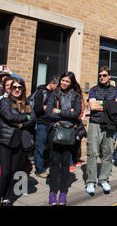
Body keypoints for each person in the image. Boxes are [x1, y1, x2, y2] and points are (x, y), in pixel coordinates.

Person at [0, 77, 36, 206]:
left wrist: (19, 123)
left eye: (19, 87)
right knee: (3, 173)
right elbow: (9, 116)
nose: (17, 90)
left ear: (23, 89)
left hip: (18, 142)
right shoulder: (5, 102)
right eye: (14, 87)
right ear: (10, 89)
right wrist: (25, 117)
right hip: (4, 141)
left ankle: (6, 198)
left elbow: (33, 118)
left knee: (12, 173)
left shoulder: (26, 104)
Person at [46, 72, 82, 206]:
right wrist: (68, 114)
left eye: (67, 81)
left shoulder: (76, 95)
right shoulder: (54, 94)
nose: (64, 83)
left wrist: (60, 111)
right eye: (62, 80)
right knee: (54, 162)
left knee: (66, 162)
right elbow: (49, 113)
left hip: (69, 132)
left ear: (71, 82)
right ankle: (52, 192)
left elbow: (77, 113)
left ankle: (63, 192)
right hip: (55, 130)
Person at [86, 66, 117, 195]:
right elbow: (92, 106)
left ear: (109, 76)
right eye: (100, 75)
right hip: (95, 124)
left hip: (110, 125)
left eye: (104, 75)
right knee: (92, 153)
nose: (101, 77)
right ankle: (90, 182)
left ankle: (104, 179)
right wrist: (109, 105)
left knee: (108, 153)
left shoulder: (116, 90)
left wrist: (101, 103)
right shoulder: (93, 90)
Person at [33, 75, 59, 178]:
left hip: (52, 123)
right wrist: (49, 108)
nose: (57, 88)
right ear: (51, 84)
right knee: (40, 146)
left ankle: (48, 165)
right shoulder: (41, 92)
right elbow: (37, 108)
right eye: (56, 86)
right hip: (42, 123)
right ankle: (39, 169)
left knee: (52, 147)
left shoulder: (55, 94)